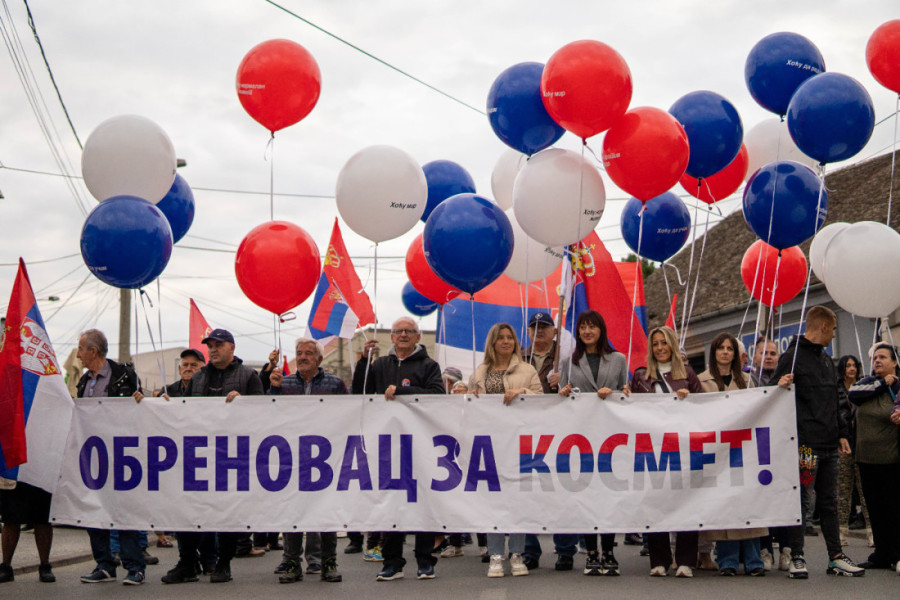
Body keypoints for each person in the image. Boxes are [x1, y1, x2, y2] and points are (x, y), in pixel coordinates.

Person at [161, 328, 264, 585]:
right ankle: (187, 562)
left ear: (231, 347)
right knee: (187, 508)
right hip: (199, 454)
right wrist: (165, 405)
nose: (213, 349)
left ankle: (223, 563)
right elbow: (184, 411)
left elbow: (264, 412)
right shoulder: (199, 377)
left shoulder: (248, 376)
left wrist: (245, 402)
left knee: (226, 510)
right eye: (210, 346)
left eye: (218, 345)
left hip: (232, 456)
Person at [771, 306, 864, 578]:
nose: (834, 334)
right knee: (802, 500)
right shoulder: (792, 357)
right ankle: (796, 556)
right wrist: (780, 382)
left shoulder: (826, 361)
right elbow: (770, 389)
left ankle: (835, 557)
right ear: (823, 326)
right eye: (833, 329)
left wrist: (843, 434)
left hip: (829, 446)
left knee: (830, 502)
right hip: (805, 445)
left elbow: (838, 399)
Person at [353, 317, 444, 581]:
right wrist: (362, 362)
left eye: (409, 331)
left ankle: (425, 561)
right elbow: (360, 392)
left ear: (418, 337)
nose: (403, 334)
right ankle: (393, 562)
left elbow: (437, 395)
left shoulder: (429, 365)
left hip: (421, 445)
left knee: (423, 503)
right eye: (398, 331)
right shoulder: (379, 364)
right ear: (391, 337)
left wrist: (404, 392)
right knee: (392, 505)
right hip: (388, 446)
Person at [268, 337, 347, 583]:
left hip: (325, 458)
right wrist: (272, 389)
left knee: (326, 511)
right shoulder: (285, 382)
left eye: (308, 353)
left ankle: (328, 562)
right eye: (299, 353)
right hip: (292, 458)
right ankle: (291, 562)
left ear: (319, 359)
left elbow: (349, 414)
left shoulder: (335, 384)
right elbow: (268, 414)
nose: (302, 357)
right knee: (293, 509)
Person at [74, 329, 146, 585]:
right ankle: (104, 565)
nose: (79, 354)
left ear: (93, 351)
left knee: (124, 511)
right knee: (94, 511)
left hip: (122, 457)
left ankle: (135, 567)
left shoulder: (124, 375)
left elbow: (142, 408)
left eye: (81, 349)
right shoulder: (84, 381)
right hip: (93, 458)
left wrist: (140, 399)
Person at [557, 310, 627, 576]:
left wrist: (617, 393)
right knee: (586, 496)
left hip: (609, 437)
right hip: (582, 437)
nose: (587, 331)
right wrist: (562, 392)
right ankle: (592, 553)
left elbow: (626, 395)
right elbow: (561, 397)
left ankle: (608, 551)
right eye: (583, 327)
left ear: (601, 330)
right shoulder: (569, 361)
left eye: (592, 327)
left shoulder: (618, 359)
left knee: (608, 495)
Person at [469, 323, 541, 577]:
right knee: (494, 501)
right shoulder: (480, 371)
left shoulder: (527, 369)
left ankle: (517, 554)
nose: (506, 341)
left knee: (517, 499)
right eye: (500, 338)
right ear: (492, 342)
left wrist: (522, 391)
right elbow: (470, 406)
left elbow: (543, 402)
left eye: (510, 337)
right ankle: (496, 554)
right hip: (490, 444)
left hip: (519, 444)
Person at [629, 325, 701, 578]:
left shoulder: (689, 375)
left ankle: (685, 560)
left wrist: (689, 399)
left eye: (664, 343)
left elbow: (705, 409)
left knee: (686, 502)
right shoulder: (640, 377)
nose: (660, 348)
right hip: (653, 449)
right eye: (656, 344)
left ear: (672, 344)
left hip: (683, 448)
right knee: (655, 502)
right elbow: (629, 411)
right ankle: (658, 559)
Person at [697, 333, 766, 577]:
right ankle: (726, 560)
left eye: (730, 349)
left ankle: (754, 559)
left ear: (735, 355)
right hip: (715, 451)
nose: (725, 352)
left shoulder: (748, 381)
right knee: (723, 504)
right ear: (713, 352)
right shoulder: (701, 381)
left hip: (743, 450)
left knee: (747, 502)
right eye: (721, 348)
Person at [848, 343, 900, 571]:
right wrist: (881, 383)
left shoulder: (899, 387)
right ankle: (881, 553)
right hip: (866, 460)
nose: (877, 360)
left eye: (883, 357)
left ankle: (897, 553)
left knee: (894, 509)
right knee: (875, 509)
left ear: (895, 362)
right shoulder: (867, 383)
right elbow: (853, 394)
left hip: (892, 460)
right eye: (875, 357)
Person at [520, 312, 561, 570]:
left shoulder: (567, 357)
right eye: (534, 327)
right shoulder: (518, 358)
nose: (539, 331)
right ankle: (529, 550)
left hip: (559, 431)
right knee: (527, 491)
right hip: (526, 432)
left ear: (554, 331)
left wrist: (564, 381)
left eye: (545, 327)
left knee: (561, 489)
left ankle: (565, 549)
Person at [835, 355, 872, 549]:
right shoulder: (836, 389)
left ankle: (871, 532)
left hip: (862, 442)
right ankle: (841, 532)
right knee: (843, 489)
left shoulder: (865, 387)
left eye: (854, 365)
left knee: (865, 490)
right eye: (847, 365)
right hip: (843, 443)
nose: (851, 368)